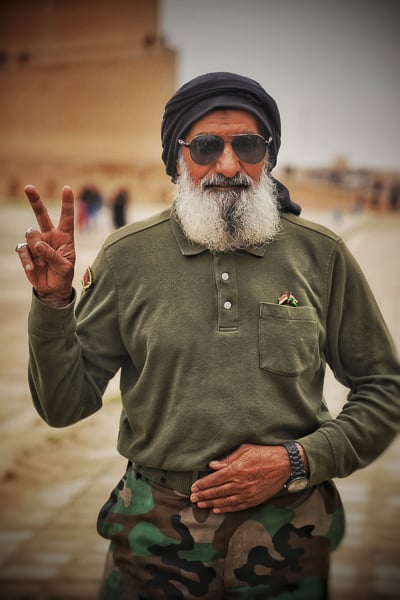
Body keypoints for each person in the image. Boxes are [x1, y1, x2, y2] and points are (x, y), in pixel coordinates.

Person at [15, 72, 400, 600]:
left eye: (247, 145)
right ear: (177, 157)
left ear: (268, 155)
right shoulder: (127, 259)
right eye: (205, 146)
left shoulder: (322, 254)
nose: (227, 164)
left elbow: (384, 389)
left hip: (291, 541)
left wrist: (297, 461)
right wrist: (54, 303)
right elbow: (64, 405)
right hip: (152, 544)